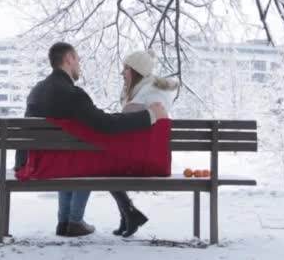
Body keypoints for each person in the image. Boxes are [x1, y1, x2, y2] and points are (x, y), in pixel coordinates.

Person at [14, 42, 168, 237]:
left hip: (29, 161)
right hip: (45, 165)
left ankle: (65, 221)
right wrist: (151, 115)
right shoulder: (71, 94)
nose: (79, 64)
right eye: (77, 59)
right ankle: (75, 221)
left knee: (77, 154)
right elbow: (106, 125)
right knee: (93, 157)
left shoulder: (38, 89)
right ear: (68, 59)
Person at [110, 49, 179, 237]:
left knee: (104, 167)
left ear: (136, 71)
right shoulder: (144, 91)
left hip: (148, 159)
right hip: (145, 154)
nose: (122, 73)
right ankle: (128, 214)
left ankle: (129, 213)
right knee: (106, 165)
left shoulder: (152, 93)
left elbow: (154, 119)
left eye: (126, 69)